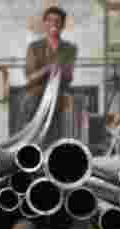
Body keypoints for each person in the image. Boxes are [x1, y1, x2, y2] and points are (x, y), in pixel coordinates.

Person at [23, 6, 78, 143]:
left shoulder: (70, 48)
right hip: (37, 97)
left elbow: (69, 77)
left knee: (57, 134)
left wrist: (60, 70)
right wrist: (48, 69)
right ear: (44, 23)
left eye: (57, 21)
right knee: (34, 135)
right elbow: (30, 77)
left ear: (63, 25)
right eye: (50, 20)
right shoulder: (34, 47)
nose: (53, 24)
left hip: (58, 96)